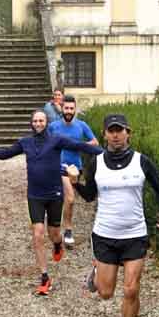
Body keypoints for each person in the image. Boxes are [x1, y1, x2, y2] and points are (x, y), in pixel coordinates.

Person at [70, 113, 159, 317]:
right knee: (105, 293)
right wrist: (75, 183)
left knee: (131, 289)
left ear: (128, 133)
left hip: (135, 235)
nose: (115, 135)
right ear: (104, 134)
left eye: (120, 130)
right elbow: (90, 196)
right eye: (111, 130)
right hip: (105, 235)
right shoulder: (97, 163)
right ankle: (96, 273)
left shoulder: (142, 162)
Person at [0, 110, 102, 296]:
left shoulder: (57, 139)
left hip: (54, 194)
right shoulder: (25, 142)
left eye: (41, 120)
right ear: (31, 123)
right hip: (35, 195)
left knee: (54, 233)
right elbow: (4, 155)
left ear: (46, 122)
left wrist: (106, 152)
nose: (38, 123)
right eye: (35, 120)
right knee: (37, 233)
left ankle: (58, 244)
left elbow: (81, 146)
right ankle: (44, 277)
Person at [48, 94, 98, 248]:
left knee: (67, 200)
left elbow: (95, 142)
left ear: (75, 109)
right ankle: (68, 230)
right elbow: (44, 144)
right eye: (66, 108)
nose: (68, 111)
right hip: (59, 167)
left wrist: (78, 145)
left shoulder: (81, 125)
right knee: (69, 198)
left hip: (76, 168)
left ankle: (59, 225)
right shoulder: (54, 126)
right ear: (61, 109)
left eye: (71, 108)